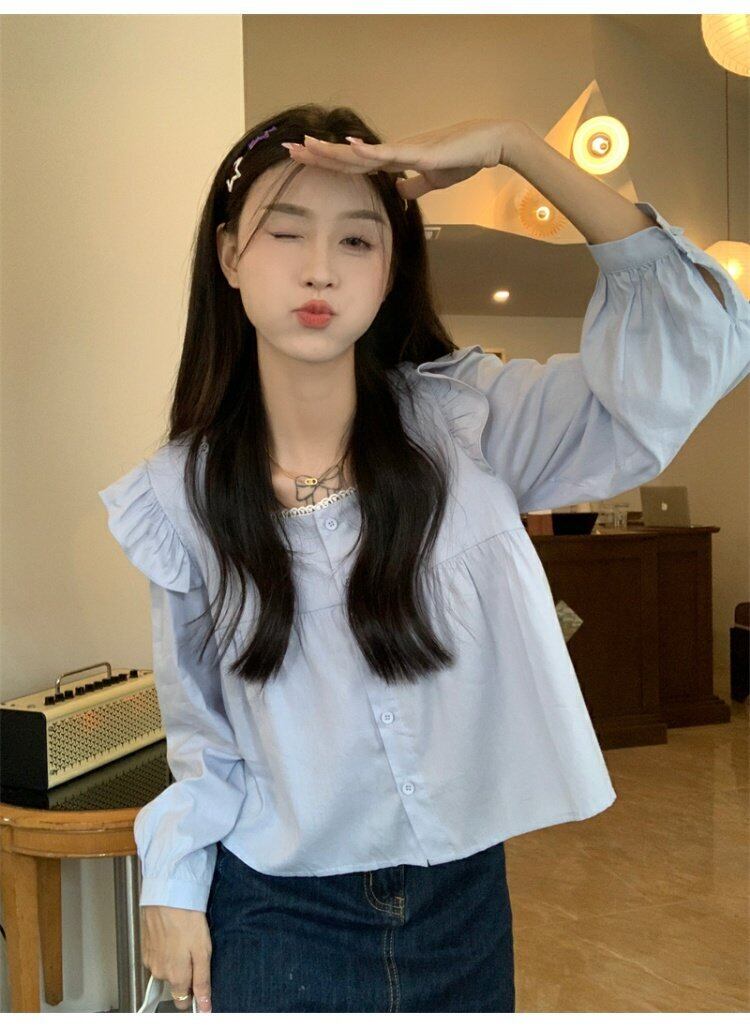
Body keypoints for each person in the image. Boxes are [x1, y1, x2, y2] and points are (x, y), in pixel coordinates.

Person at [98, 103, 749, 1013]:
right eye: (285, 231)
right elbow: (203, 735)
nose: (320, 268)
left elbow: (697, 346)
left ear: (390, 269)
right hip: (278, 908)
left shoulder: (469, 423)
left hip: (462, 902)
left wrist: (517, 146)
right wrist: (170, 885)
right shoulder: (178, 497)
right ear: (230, 255)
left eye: (356, 240)